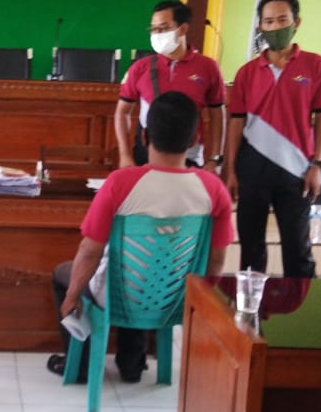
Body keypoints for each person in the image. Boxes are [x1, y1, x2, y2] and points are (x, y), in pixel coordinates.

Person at [48, 91, 234, 383]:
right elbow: (217, 258)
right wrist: (199, 299)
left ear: (144, 137)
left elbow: (89, 251)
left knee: (66, 273)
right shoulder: (213, 189)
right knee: (150, 271)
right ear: (193, 141)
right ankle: (132, 363)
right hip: (177, 297)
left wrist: (72, 296)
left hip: (118, 296)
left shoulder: (120, 183)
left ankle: (80, 365)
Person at [224, 0, 321, 278]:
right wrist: (231, 170)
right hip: (252, 170)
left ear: (296, 22)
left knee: (298, 252)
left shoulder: (316, 66)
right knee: (251, 252)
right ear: (260, 26)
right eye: (268, 21)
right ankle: (249, 306)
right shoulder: (247, 73)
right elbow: (235, 123)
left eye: (282, 20)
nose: (275, 27)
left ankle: (303, 305)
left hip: (296, 172)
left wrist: (317, 165)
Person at [114, 0, 226, 171]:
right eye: (153, 29)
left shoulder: (208, 67)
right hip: (147, 155)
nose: (157, 34)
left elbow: (217, 114)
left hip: (189, 155)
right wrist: (125, 155)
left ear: (183, 29)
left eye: (163, 28)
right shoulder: (140, 68)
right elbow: (122, 111)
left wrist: (214, 158)